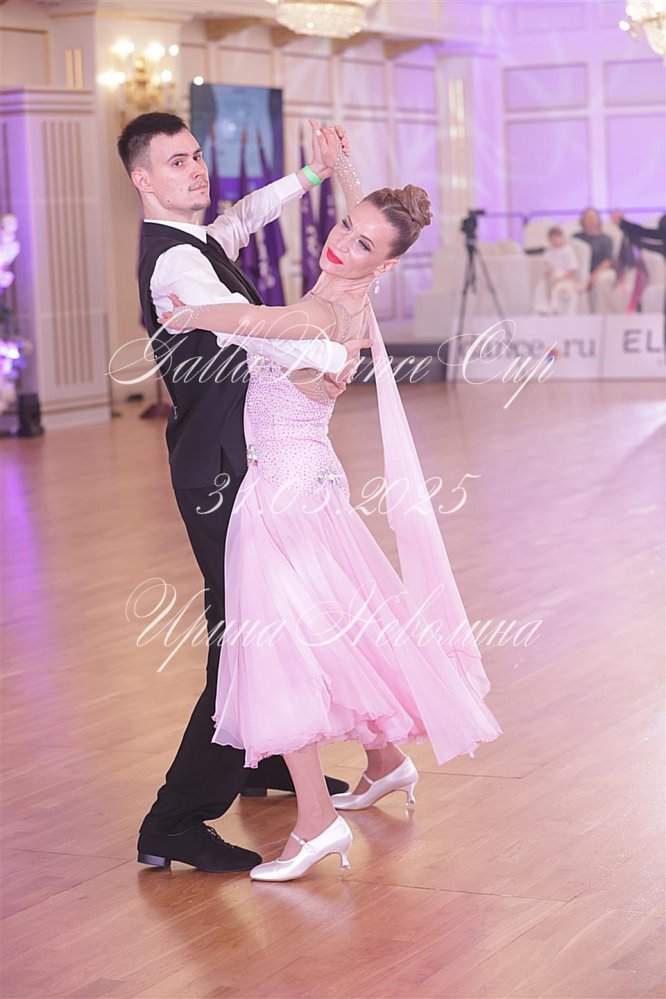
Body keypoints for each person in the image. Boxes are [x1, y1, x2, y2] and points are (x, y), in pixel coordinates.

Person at [160, 135, 502, 882]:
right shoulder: (356, 286)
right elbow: (364, 222)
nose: (342, 244)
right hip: (307, 482)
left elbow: (256, 323)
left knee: (281, 649)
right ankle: (384, 763)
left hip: (281, 493)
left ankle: (317, 822)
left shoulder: (323, 311)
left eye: (363, 245)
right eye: (346, 227)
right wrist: (339, 166)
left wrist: (192, 314)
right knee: (328, 630)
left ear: (386, 266)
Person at [118, 112, 369, 874]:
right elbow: (249, 329)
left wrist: (312, 175)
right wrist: (326, 350)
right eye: (176, 161)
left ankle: (263, 762)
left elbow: (245, 216)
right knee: (245, 632)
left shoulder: (195, 241)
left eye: (196, 155)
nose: (195, 168)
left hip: (237, 454)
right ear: (142, 179)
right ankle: (174, 819)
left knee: (263, 618)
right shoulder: (174, 262)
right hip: (217, 465)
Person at [574, 208, 616, 313]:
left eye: (593, 217)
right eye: (588, 218)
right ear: (583, 220)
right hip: (580, 271)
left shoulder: (606, 239)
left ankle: (603, 313)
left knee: (603, 280)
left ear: (598, 219)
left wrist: (593, 276)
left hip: (600, 271)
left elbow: (608, 261)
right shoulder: (576, 238)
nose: (591, 220)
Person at [533, 225, 579, 315]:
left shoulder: (568, 251)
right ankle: (543, 308)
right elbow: (547, 266)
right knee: (541, 286)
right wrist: (550, 274)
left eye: (557, 237)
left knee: (557, 289)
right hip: (552, 277)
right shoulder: (548, 251)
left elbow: (573, 271)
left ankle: (555, 309)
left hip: (565, 278)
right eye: (552, 238)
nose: (554, 240)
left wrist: (559, 279)